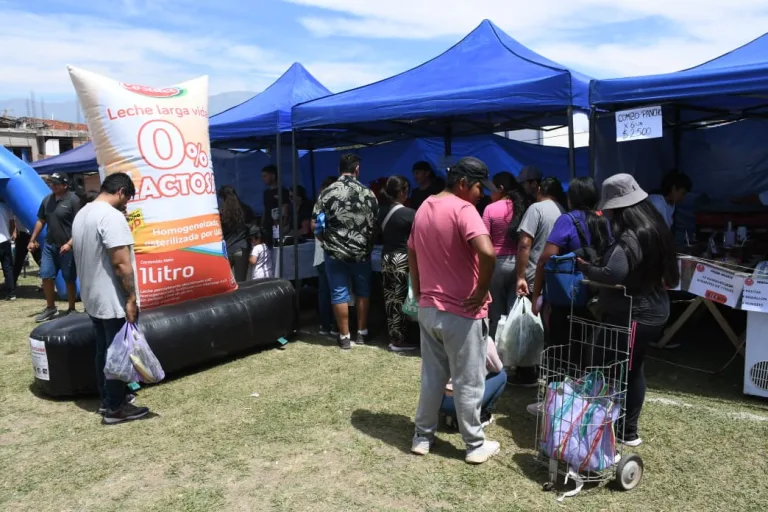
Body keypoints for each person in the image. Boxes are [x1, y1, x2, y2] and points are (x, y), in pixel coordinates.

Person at [408, 156, 500, 465]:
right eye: (477, 187)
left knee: (432, 378)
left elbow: (411, 250)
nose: (481, 194)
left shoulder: (424, 206)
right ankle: (474, 444)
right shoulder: (464, 209)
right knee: (468, 380)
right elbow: (487, 252)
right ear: (463, 184)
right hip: (462, 311)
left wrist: (418, 288)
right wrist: (482, 290)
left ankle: (422, 437)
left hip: (428, 308)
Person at [577, 174, 679, 447]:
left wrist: (586, 268)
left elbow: (613, 273)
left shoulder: (631, 236)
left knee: (610, 365)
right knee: (632, 368)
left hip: (635, 314)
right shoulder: (656, 228)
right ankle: (622, 428)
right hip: (653, 311)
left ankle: (616, 429)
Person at [71, 172, 150, 424]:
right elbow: (121, 264)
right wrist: (131, 299)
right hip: (111, 298)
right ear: (121, 192)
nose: (126, 205)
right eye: (127, 199)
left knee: (103, 349)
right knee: (118, 351)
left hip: (93, 296)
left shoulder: (84, 212)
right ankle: (116, 408)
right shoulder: (112, 216)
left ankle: (108, 400)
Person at [315, 154, 378, 349]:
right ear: (357, 169)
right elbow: (374, 225)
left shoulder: (326, 193)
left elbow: (317, 226)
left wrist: (328, 242)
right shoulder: (368, 193)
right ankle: (362, 332)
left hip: (335, 253)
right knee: (363, 292)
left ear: (338, 168)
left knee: (338, 293)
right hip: (361, 253)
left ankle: (344, 336)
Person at [513, 177, 566, 387]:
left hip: (535, 273)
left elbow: (525, 244)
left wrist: (520, 276)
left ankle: (528, 372)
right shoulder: (562, 209)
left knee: (529, 325)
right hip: (556, 277)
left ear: (540, 189)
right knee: (550, 326)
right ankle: (548, 371)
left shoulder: (536, 209)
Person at [482, 172, 530, 340]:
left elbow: (484, 240)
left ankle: (496, 355)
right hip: (520, 264)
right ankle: (513, 354)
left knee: (496, 315)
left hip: (496, 266)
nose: (489, 194)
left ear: (501, 189)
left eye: (491, 190)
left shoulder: (490, 209)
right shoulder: (523, 207)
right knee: (513, 313)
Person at [27, 172, 80, 322]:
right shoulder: (47, 200)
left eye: (56, 183)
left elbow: (80, 225)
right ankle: (50, 308)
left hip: (68, 246)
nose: (53, 185)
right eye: (51, 183)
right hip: (50, 245)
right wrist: (33, 239)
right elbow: (40, 220)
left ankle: (71, 309)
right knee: (46, 275)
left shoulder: (73, 200)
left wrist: (69, 243)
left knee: (69, 278)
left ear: (65, 185)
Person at [377, 175, 417, 352]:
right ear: (402, 192)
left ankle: (394, 335)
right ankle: (400, 339)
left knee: (391, 299)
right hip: (403, 259)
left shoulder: (381, 211)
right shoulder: (409, 214)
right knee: (404, 299)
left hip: (387, 257)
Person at [441, 336, 506, 428]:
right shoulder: (484, 338)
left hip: (438, 398)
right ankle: (482, 415)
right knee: (501, 374)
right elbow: (497, 368)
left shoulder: (439, 335)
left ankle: (451, 416)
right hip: (462, 400)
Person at [312, 177, 339, 336]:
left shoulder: (318, 204)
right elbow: (316, 228)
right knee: (337, 291)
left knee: (325, 291)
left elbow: (313, 227)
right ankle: (335, 326)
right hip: (329, 253)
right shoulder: (331, 204)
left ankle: (324, 325)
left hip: (321, 255)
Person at [218, 186, 250, 282]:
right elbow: (253, 227)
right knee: (241, 282)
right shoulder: (245, 209)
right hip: (242, 248)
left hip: (227, 250)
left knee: (226, 281)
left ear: (222, 198)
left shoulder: (221, 213)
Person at [261, 165, 290, 243]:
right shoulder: (266, 192)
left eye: (265, 176)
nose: (263, 179)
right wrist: (262, 224)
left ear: (273, 176)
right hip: (267, 228)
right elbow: (265, 208)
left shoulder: (283, 191)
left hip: (277, 227)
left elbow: (285, 210)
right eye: (262, 176)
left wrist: (282, 227)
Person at [0, 198, 15, 301]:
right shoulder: (5, 206)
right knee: (7, 267)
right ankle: (11, 292)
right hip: (5, 240)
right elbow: (12, 223)